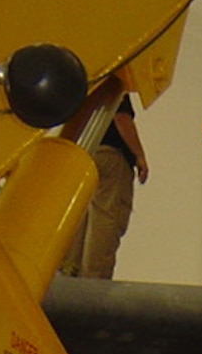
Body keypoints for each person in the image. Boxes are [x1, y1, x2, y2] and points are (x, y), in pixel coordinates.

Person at [59, 82, 148, 279]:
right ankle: (94, 277)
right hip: (110, 156)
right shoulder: (114, 83)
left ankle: (70, 270)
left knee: (82, 215)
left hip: (85, 154)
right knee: (107, 214)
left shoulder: (86, 82)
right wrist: (139, 155)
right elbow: (121, 117)